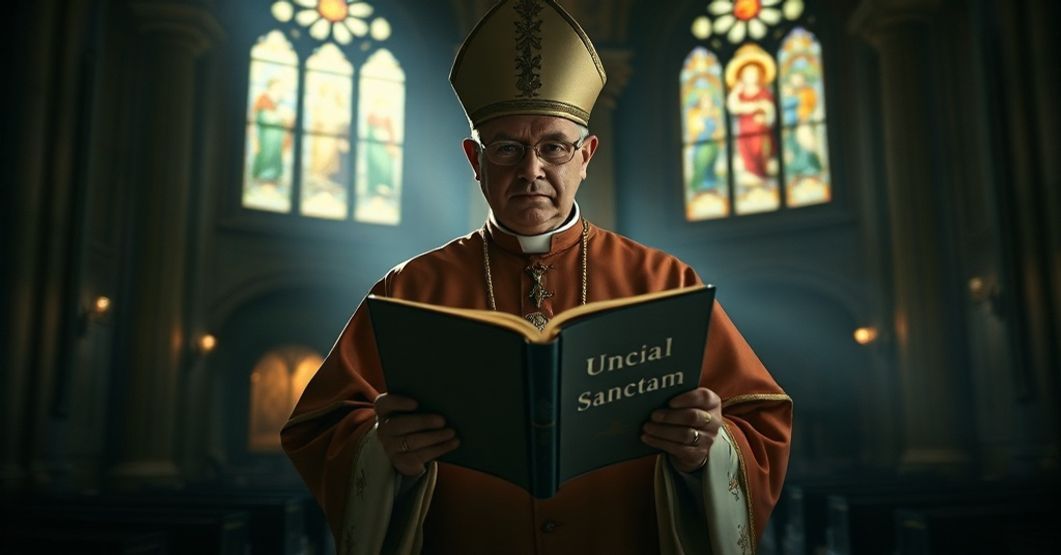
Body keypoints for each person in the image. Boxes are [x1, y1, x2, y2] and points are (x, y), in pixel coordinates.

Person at [281, 2, 792, 553]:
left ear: (585, 155)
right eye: (506, 148)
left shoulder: (665, 279)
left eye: (553, 146)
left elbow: (758, 425)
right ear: (474, 160)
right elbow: (321, 428)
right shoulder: (409, 288)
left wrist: (707, 447)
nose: (532, 170)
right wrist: (382, 450)